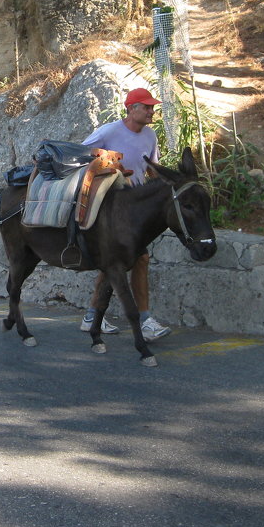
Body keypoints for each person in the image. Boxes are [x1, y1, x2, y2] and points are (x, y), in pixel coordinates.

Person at [79, 87, 172, 341]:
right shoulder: (110, 131)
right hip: (111, 206)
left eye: (153, 107)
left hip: (137, 209)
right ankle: (144, 320)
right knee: (139, 258)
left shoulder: (150, 135)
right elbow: (82, 153)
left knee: (116, 263)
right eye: (147, 107)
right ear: (132, 109)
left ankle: (91, 316)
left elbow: (152, 168)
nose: (152, 111)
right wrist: (110, 162)